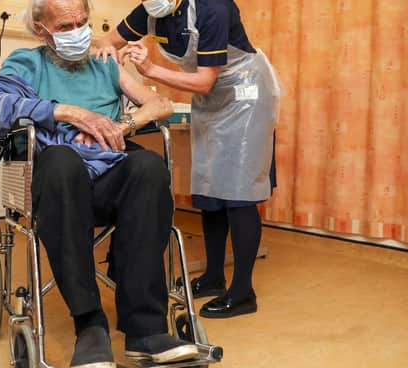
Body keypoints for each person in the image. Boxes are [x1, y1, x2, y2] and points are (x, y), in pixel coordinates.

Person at [0, 0, 199, 368]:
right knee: (62, 161)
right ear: (40, 30)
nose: (78, 32)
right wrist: (68, 112)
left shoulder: (104, 63)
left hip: (110, 177)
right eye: (65, 27)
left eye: (83, 22)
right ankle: (91, 326)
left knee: (147, 167)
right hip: (60, 184)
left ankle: (146, 330)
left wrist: (123, 126)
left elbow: (161, 104)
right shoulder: (26, 63)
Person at [97, 0, 280, 319]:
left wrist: (150, 69)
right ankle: (212, 277)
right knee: (209, 187)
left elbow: (205, 79)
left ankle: (242, 292)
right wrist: (109, 55)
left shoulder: (213, 8)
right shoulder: (152, 10)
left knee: (239, 193)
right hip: (210, 100)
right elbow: (106, 42)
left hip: (245, 92)